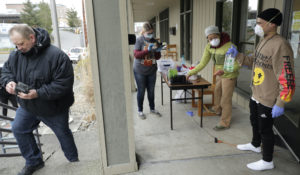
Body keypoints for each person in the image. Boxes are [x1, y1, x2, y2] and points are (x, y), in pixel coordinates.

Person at [0, 24, 78, 175]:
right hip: (28, 106)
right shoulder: (16, 54)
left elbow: (63, 85)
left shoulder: (57, 56)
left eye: (21, 44)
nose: (18, 48)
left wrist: (38, 93)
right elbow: (6, 71)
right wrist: (7, 82)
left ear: (32, 37)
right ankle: (34, 161)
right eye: (15, 44)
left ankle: (74, 162)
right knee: (19, 129)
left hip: (54, 108)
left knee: (63, 135)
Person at [227, 8, 295, 171]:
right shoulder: (263, 40)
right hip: (256, 93)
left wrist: (281, 101)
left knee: (265, 129)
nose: (256, 26)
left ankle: (267, 160)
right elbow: (254, 63)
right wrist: (238, 56)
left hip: (269, 96)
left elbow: (287, 76)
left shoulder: (281, 45)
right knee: (254, 121)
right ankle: (255, 144)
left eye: (259, 23)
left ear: (272, 24)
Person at [186, 26, 240, 131]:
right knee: (217, 91)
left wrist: (224, 71)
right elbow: (203, 62)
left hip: (229, 74)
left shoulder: (229, 46)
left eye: (214, 37)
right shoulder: (209, 47)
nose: (212, 40)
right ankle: (217, 109)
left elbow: (237, 65)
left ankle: (225, 122)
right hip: (219, 73)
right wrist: (191, 72)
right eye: (210, 39)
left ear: (219, 35)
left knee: (226, 99)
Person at [133, 22, 162, 119]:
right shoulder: (139, 40)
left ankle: (152, 108)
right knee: (141, 91)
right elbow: (136, 55)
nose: (150, 35)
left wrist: (158, 51)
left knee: (151, 91)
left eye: (152, 33)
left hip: (151, 70)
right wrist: (147, 50)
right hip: (140, 70)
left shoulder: (155, 41)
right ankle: (140, 111)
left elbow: (157, 57)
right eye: (148, 33)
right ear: (144, 32)